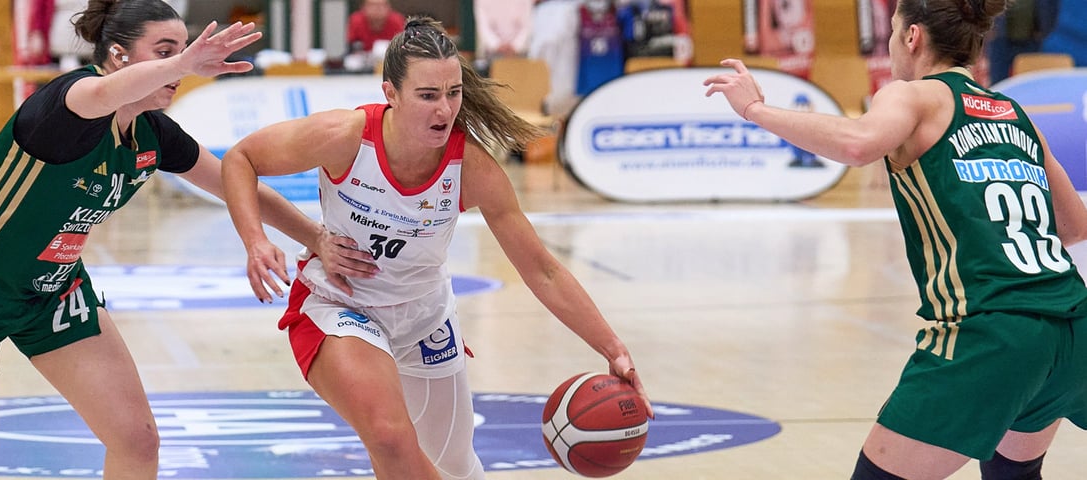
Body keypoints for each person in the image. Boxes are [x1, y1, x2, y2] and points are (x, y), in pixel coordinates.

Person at [0, 1, 344, 478]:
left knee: (137, 441)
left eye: (182, 50)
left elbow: (237, 185)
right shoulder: (70, 104)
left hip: (53, 292)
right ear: (117, 55)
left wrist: (317, 236)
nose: (180, 64)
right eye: (164, 51)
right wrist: (182, 63)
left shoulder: (152, 132)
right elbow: (101, 92)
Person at [221, 16, 651, 480]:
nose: (444, 110)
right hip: (340, 303)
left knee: (456, 468)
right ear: (391, 94)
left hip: (424, 315)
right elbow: (241, 159)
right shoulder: (345, 136)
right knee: (390, 437)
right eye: (428, 96)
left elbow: (542, 270)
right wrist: (255, 240)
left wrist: (613, 347)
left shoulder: (472, 169)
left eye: (453, 93)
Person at [705, 1, 1087, 479]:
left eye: (890, 32)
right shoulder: (1015, 114)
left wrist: (755, 109)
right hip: (1072, 326)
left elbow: (856, 143)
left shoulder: (913, 96)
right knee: (1014, 475)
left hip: (994, 331)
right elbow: (1074, 227)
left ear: (912, 38)